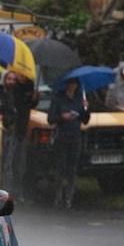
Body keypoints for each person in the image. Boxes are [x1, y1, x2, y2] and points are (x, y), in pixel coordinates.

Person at [47, 78, 90, 208]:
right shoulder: (58, 98)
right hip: (62, 137)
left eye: (74, 84)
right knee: (61, 167)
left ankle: (69, 198)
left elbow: (85, 120)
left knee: (72, 169)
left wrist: (86, 108)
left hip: (75, 137)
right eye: (70, 83)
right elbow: (50, 119)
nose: (72, 86)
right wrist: (62, 117)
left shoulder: (79, 99)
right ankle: (58, 197)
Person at [7, 72, 39, 202]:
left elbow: (29, 106)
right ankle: (7, 192)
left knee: (20, 163)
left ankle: (18, 191)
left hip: (22, 128)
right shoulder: (14, 87)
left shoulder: (29, 86)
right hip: (12, 128)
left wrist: (35, 99)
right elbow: (16, 103)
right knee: (8, 163)